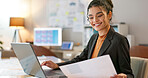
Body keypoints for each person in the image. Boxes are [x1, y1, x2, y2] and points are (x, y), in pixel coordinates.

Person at [41, 0, 134, 78]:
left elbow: (129, 74)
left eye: (99, 15)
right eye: (91, 17)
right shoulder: (94, 38)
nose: (95, 20)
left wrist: (124, 76)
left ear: (109, 15)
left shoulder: (119, 40)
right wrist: (57, 65)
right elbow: (80, 59)